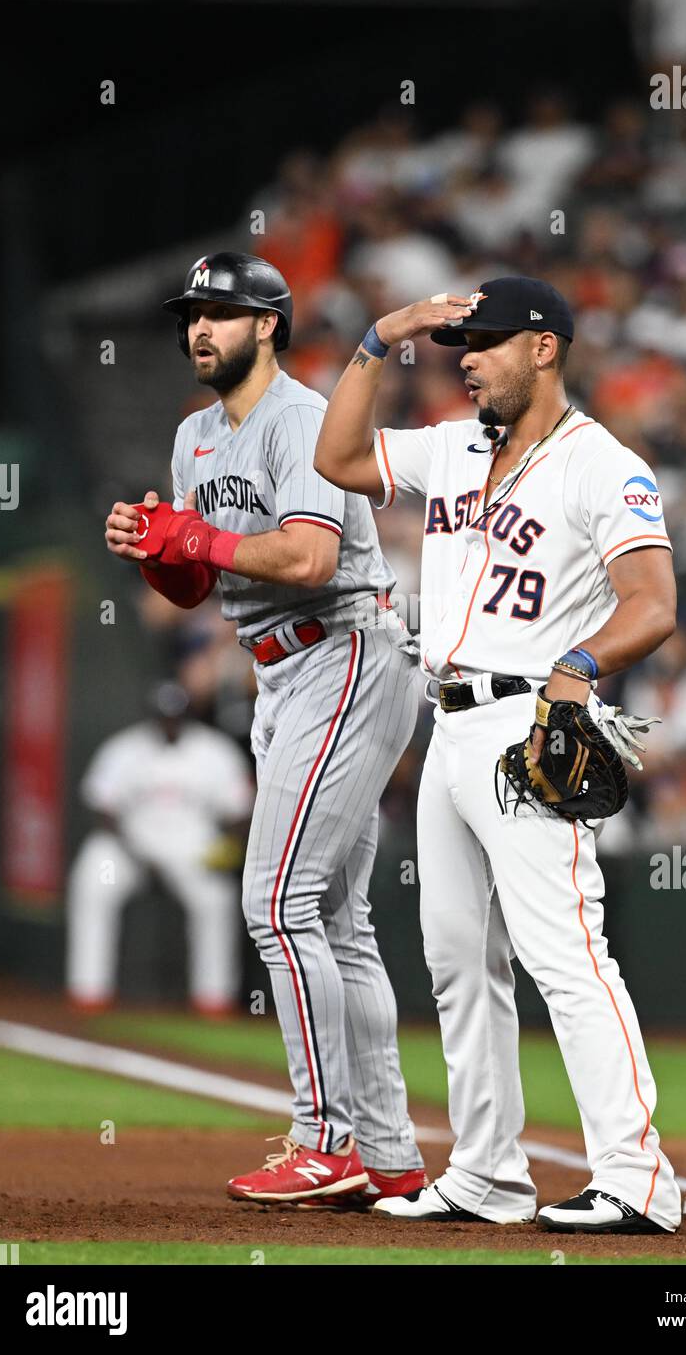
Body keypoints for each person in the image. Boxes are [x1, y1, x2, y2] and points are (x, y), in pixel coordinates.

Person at [313, 276, 682, 1233]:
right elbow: (339, 454)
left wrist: (579, 666)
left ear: (544, 346)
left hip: (529, 723)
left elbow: (652, 602)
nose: (466, 358)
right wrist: (381, 335)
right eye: (459, 344)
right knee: (456, 960)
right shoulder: (453, 447)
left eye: (484, 341)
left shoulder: (605, 465)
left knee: (566, 957)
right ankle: (485, 1173)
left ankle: (638, 1179)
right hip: (448, 726)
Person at [104, 252, 425, 1209]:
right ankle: (392, 1153)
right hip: (278, 671)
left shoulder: (305, 418)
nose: (200, 328)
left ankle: (324, 1139)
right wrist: (161, 554)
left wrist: (195, 538)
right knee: (336, 920)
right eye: (192, 314)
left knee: (276, 902)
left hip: (347, 648)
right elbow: (202, 582)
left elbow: (311, 553)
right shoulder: (196, 434)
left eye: (221, 313)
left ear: (269, 327)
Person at [66, 680, 253, 1016]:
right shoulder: (124, 748)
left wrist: (228, 846)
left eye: (176, 715)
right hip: (130, 846)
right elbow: (102, 807)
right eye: (163, 716)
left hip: (193, 847)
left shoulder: (214, 751)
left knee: (216, 900)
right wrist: (135, 853)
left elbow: (239, 810)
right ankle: (89, 991)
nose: (169, 722)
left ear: (188, 715)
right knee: (94, 879)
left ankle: (213, 999)